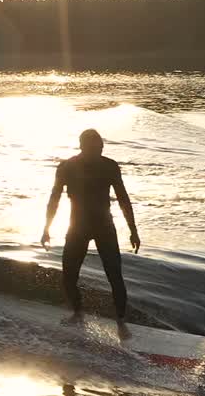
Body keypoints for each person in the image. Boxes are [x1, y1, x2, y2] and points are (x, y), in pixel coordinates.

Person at [40, 129, 140, 323]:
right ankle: (78, 314)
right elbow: (54, 199)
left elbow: (123, 198)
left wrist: (133, 230)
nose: (98, 151)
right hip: (77, 227)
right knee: (69, 277)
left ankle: (121, 321)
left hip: (104, 226)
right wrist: (46, 228)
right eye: (94, 148)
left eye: (100, 147)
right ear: (82, 147)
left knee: (115, 276)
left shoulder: (109, 166)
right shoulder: (66, 167)